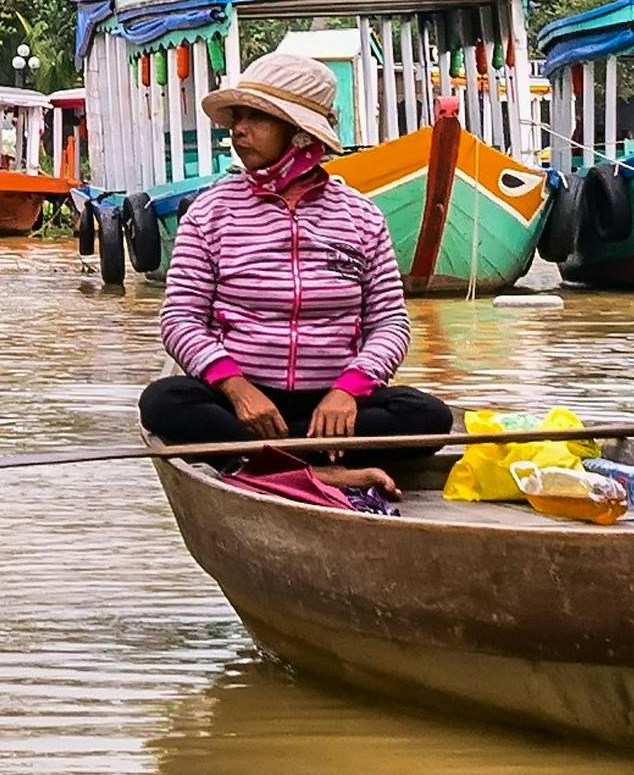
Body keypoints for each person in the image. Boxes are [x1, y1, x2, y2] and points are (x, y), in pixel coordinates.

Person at [138, 47, 457, 466]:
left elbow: (390, 323)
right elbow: (180, 320)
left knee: (428, 416)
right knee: (163, 401)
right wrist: (236, 388)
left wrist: (349, 389)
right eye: (237, 119)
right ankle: (323, 473)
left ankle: (269, 466)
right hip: (242, 408)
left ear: (300, 133)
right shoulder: (210, 213)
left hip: (331, 410)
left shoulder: (360, 216)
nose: (239, 131)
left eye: (257, 118)